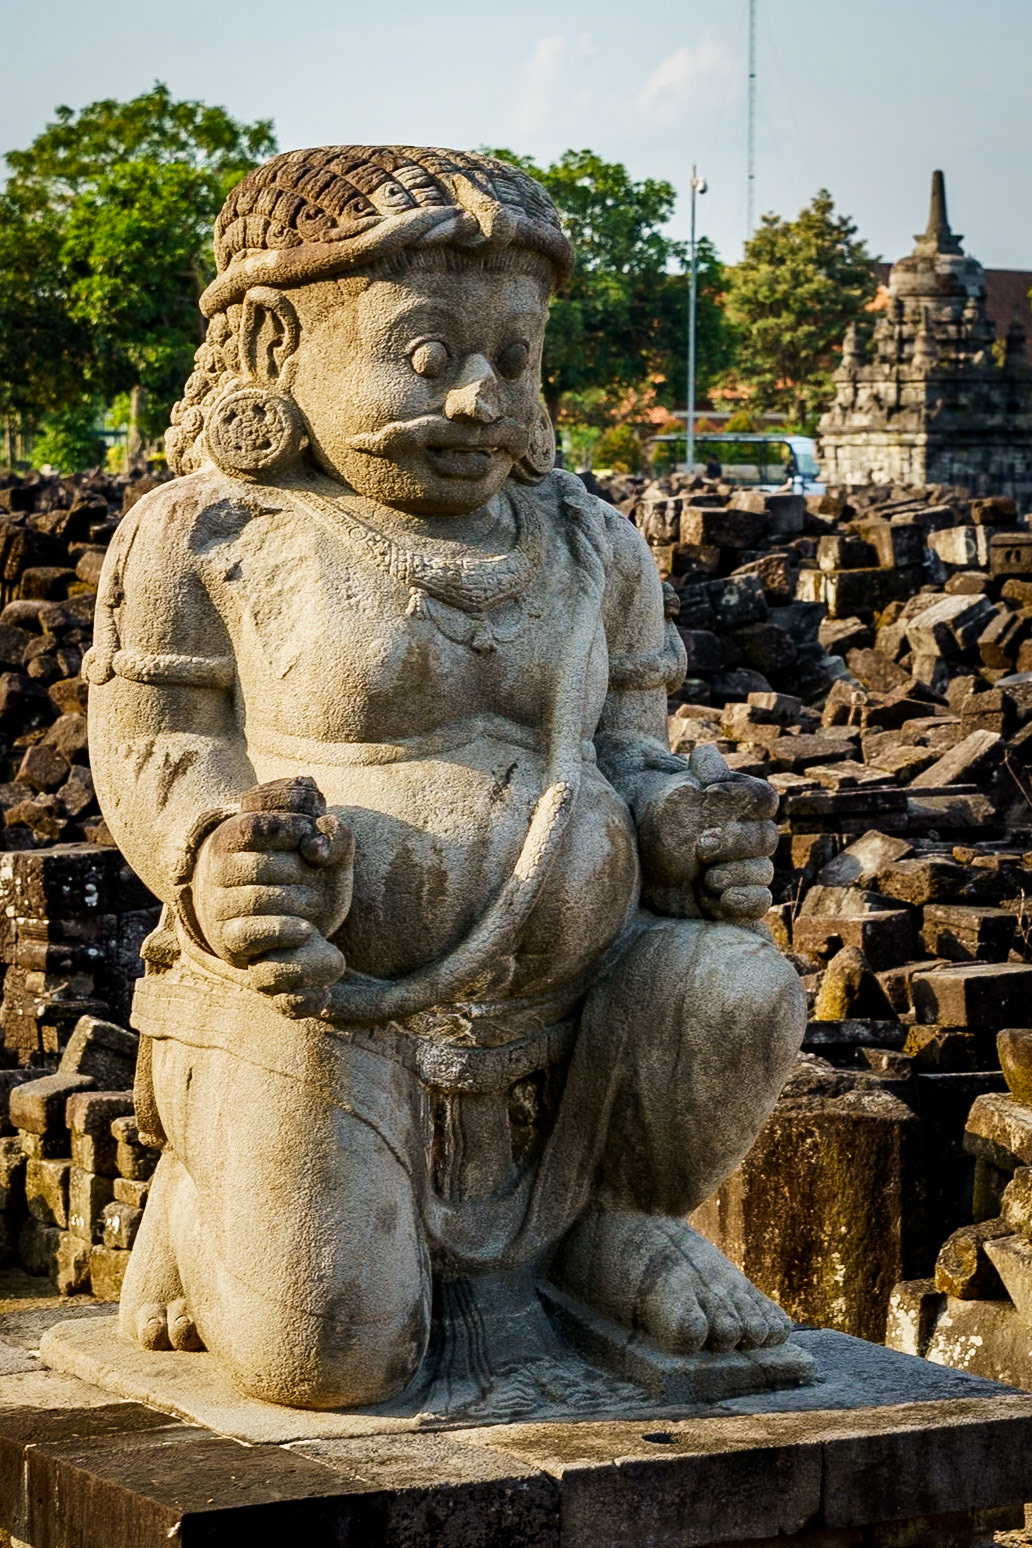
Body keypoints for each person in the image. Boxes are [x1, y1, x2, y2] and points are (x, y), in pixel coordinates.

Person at [86, 146, 805, 1411]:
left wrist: (682, 821)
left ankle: (613, 1224)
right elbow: (158, 740)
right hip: (323, 997)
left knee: (739, 984)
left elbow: (630, 747)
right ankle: (207, 1201)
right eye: (425, 357)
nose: (480, 399)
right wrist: (214, 854)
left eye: (512, 359)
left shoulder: (590, 545)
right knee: (335, 1363)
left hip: (581, 1018)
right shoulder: (211, 534)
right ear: (268, 347)